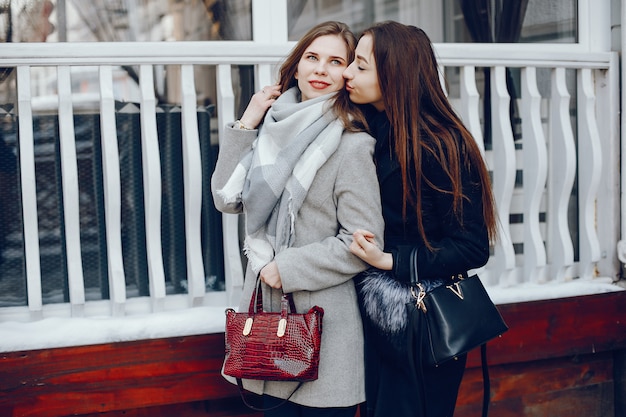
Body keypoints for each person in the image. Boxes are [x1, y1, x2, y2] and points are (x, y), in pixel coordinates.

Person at [211, 21, 384, 417]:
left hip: (323, 332)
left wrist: (286, 269)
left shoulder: (352, 144)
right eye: (312, 57)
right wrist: (249, 120)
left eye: (336, 61)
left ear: (348, 74)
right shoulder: (271, 134)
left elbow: (362, 244)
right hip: (264, 327)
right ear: (297, 65)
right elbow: (226, 197)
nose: (321, 69)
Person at [342, 21, 498, 417]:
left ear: (395, 74)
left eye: (360, 66)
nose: (347, 73)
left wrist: (391, 261)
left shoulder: (442, 144)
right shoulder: (370, 129)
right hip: (377, 316)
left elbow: (472, 245)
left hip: (422, 320)